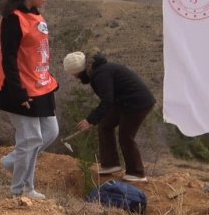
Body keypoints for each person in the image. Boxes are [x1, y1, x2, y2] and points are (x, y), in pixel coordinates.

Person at [0, 0, 59, 200]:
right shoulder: (13, 18)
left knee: (50, 132)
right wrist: (18, 92)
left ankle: (13, 161)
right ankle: (21, 191)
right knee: (31, 139)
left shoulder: (35, 14)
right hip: (20, 88)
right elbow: (9, 58)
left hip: (41, 85)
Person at [63, 51, 156, 182]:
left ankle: (137, 173)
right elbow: (110, 100)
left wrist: (90, 120)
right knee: (105, 125)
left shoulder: (100, 74)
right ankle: (110, 164)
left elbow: (107, 100)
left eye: (74, 74)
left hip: (138, 103)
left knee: (126, 136)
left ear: (80, 70)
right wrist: (95, 120)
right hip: (122, 101)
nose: (75, 77)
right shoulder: (98, 71)